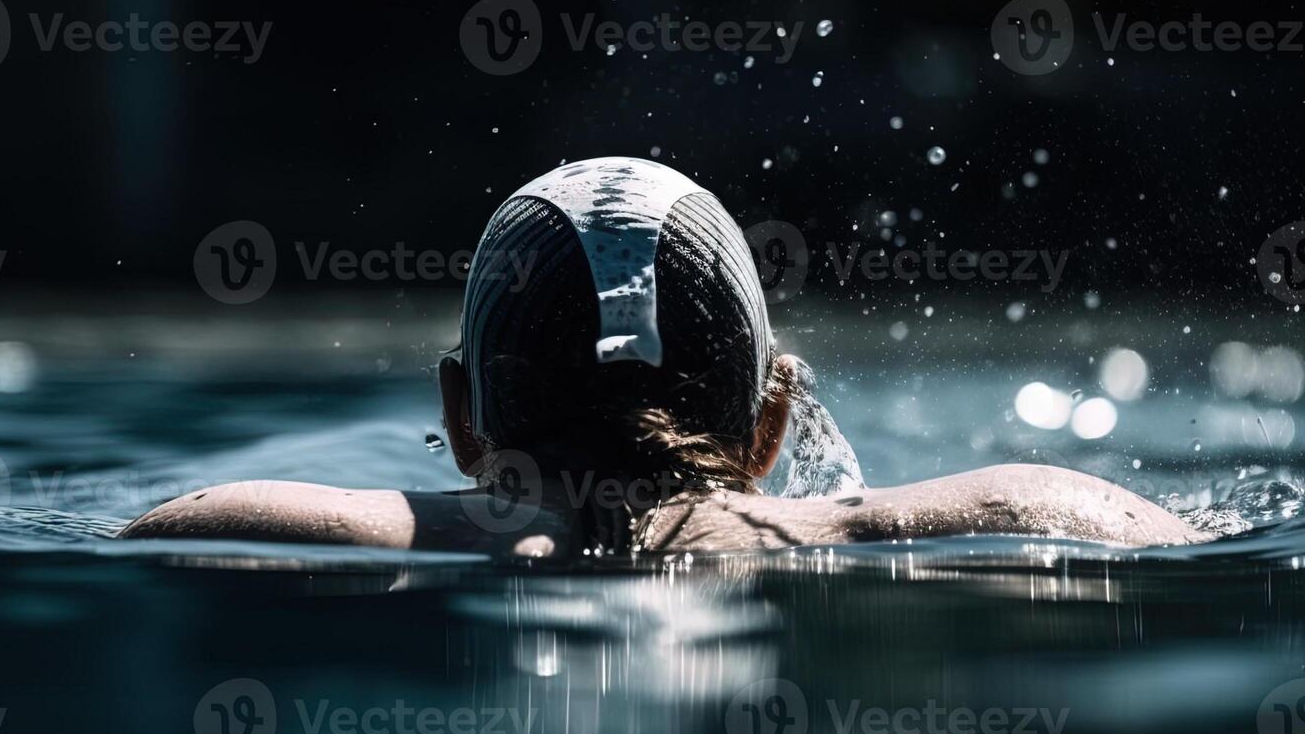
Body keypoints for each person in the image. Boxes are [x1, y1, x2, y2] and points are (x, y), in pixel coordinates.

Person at [122, 158, 1203, 554]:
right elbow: (1137, 526)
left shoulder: (255, 524)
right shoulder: (1024, 504)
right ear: (774, 422)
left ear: (461, 417)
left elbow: (171, 523)